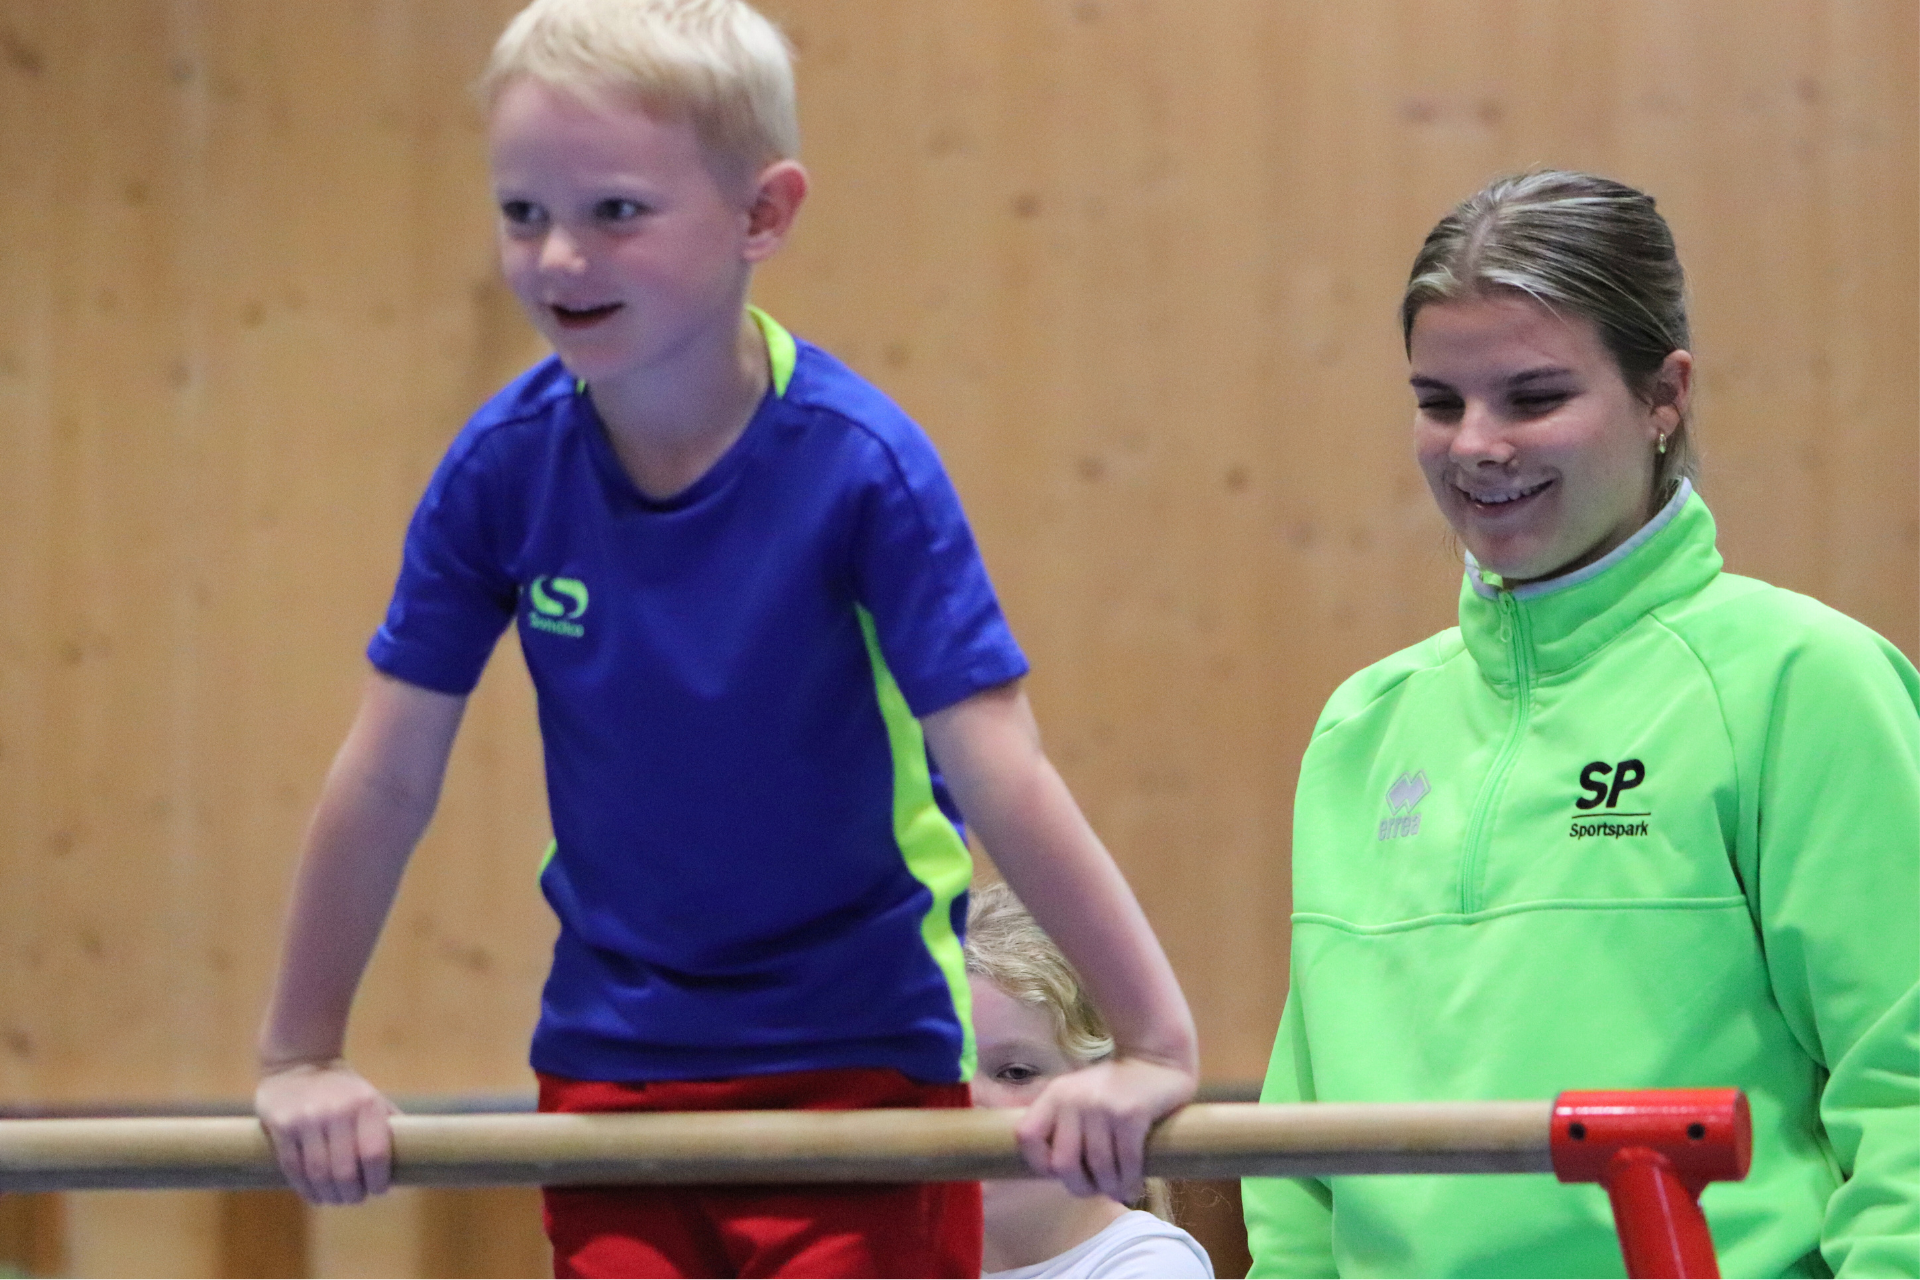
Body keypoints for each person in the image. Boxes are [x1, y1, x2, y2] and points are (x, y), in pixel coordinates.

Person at [251, 2, 1198, 1275]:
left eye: (616, 211)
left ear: (763, 213)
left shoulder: (861, 469)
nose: (558, 257)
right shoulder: (503, 471)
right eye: (523, 212)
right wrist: (301, 1050)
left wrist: (1153, 1037)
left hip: (857, 1062)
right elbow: (386, 774)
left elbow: (1002, 769)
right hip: (613, 1064)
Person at [1243, 170, 1919, 1278]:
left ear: (1664, 396)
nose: (1476, 444)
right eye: (1439, 402)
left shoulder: (1804, 681)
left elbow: (1906, 1085)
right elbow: (1301, 1158)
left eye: (1533, 396)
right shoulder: (1364, 724)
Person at [967, 882, 1213, 1280]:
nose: (967, 1101)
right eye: (946, 1073)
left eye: (1016, 1073)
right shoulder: (899, 1253)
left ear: (1107, 1088)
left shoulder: (1152, 1265)